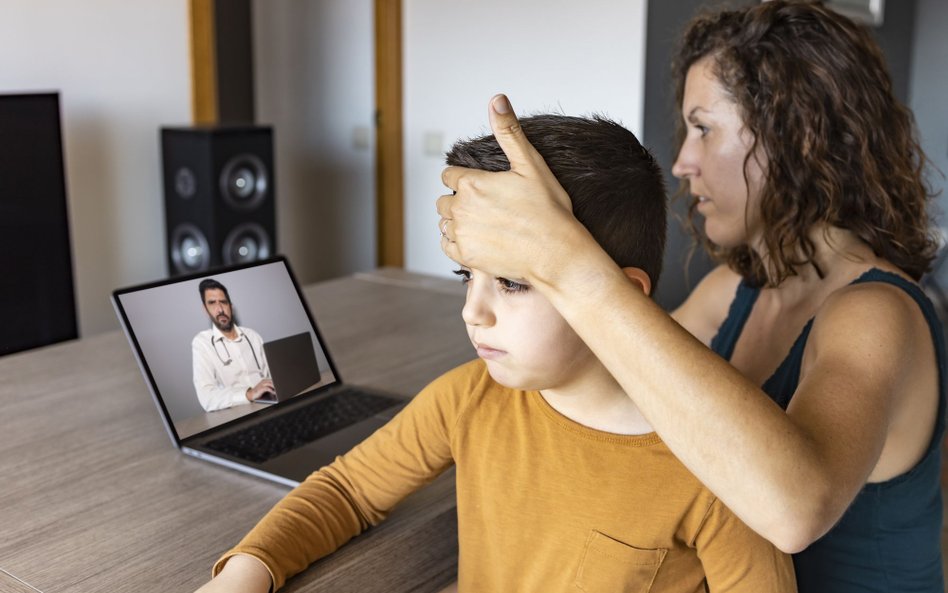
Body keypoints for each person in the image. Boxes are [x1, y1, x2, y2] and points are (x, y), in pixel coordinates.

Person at [437, 2, 945, 592]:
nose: (682, 162)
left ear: (800, 136)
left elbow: (794, 510)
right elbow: (620, 375)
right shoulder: (736, 288)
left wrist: (565, 258)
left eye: (703, 128)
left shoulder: (877, 312)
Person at [195, 115, 796, 592]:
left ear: (621, 298)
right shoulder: (467, 400)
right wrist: (250, 569)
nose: (472, 310)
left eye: (512, 282)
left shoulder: (719, 467)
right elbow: (347, 492)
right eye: (467, 276)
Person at [192, 278, 275, 412]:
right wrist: (249, 393)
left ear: (230, 306)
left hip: (270, 406)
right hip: (238, 414)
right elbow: (206, 398)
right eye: (212, 303)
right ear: (205, 309)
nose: (220, 309)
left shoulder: (253, 336)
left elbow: (271, 377)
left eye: (223, 302)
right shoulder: (202, 343)